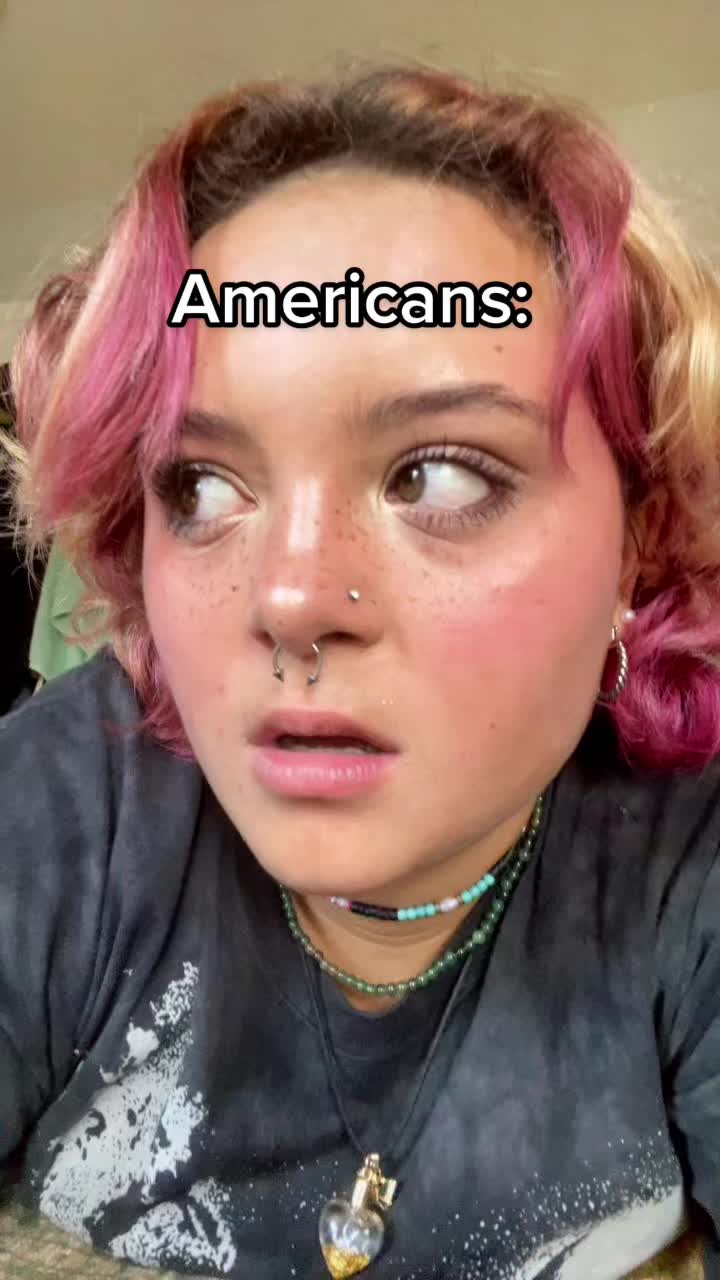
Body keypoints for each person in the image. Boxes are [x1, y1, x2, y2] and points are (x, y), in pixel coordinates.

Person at [1, 65, 719, 1280]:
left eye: (439, 474)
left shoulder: (685, 864)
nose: (288, 599)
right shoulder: (62, 805)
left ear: (638, 541)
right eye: (203, 486)